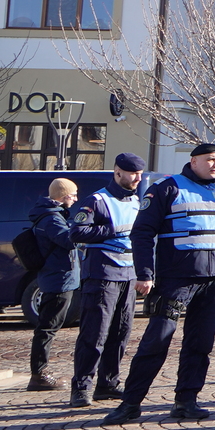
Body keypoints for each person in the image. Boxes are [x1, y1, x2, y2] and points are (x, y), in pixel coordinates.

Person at [105, 142, 215, 425]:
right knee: (157, 341)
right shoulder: (168, 187)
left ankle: (186, 401)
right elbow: (142, 232)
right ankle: (130, 403)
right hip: (177, 279)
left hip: (214, 278)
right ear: (193, 162)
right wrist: (144, 273)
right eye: (209, 160)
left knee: (200, 343)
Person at [66, 154, 148, 406]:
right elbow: (77, 231)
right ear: (117, 173)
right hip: (102, 275)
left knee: (121, 333)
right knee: (95, 333)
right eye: (133, 174)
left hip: (128, 275)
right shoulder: (97, 200)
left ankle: (108, 384)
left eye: (140, 174)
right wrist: (114, 229)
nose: (137, 179)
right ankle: (81, 387)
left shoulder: (137, 201)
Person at [25, 178, 82, 393]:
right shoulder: (51, 218)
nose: (76, 199)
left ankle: (39, 373)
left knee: (48, 327)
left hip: (58, 277)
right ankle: (39, 375)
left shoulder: (52, 215)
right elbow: (69, 240)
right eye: (73, 195)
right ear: (64, 195)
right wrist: (83, 225)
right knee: (47, 328)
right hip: (57, 279)